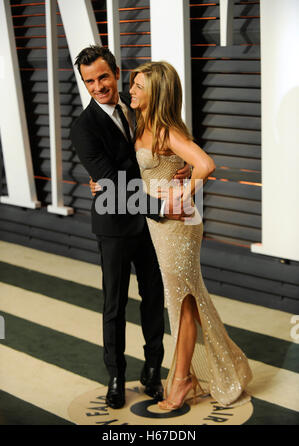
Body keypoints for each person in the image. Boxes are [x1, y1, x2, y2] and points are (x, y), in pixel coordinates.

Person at [70, 46, 191, 410]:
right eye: (89, 81)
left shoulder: (138, 106)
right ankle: (116, 375)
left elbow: (161, 145)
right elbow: (107, 182)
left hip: (152, 229)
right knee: (114, 304)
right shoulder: (83, 127)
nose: (98, 87)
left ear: (117, 73)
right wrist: (159, 206)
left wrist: (180, 164)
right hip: (116, 225)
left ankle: (153, 371)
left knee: (154, 300)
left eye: (103, 77)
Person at [129, 60, 253, 410]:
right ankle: (222, 367)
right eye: (133, 84)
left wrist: (185, 193)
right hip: (159, 224)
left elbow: (206, 164)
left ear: (157, 94)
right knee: (187, 299)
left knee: (181, 301)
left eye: (139, 86)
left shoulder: (167, 131)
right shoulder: (141, 122)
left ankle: (182, 380)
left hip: (179, 227)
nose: (132, 90)